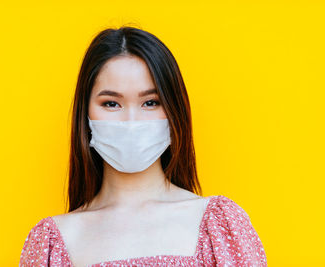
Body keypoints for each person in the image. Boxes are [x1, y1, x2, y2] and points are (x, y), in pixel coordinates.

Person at [19, 26, 267, 267]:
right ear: (85, 115)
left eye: (150, 102)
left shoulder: (218, 226)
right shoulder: (52, 243)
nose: (131, 121)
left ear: (174, 112)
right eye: (111, 104)